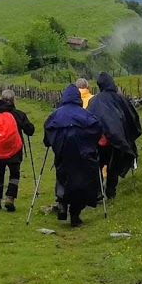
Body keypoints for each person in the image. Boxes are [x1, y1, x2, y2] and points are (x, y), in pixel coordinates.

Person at [43, 84, 104, 227]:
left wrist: (51, 142)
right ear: (78, 98)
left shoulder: (55, 115)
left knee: (62, 175)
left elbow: (47, 133)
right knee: (81, 182)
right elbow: (97, 129)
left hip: (62, 153)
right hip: (82, 155)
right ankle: (75, 213)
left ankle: (62, 203)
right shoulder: (86, 114)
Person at [87, 72, 142, 200]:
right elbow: (132, 117)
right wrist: (129, 135)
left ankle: (99, 191)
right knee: (113, 165)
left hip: (99, 140)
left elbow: (88, 119)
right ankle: (111, 191)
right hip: (117, 139)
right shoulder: (121, 99)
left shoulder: (93, 101)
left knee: (98, 164)